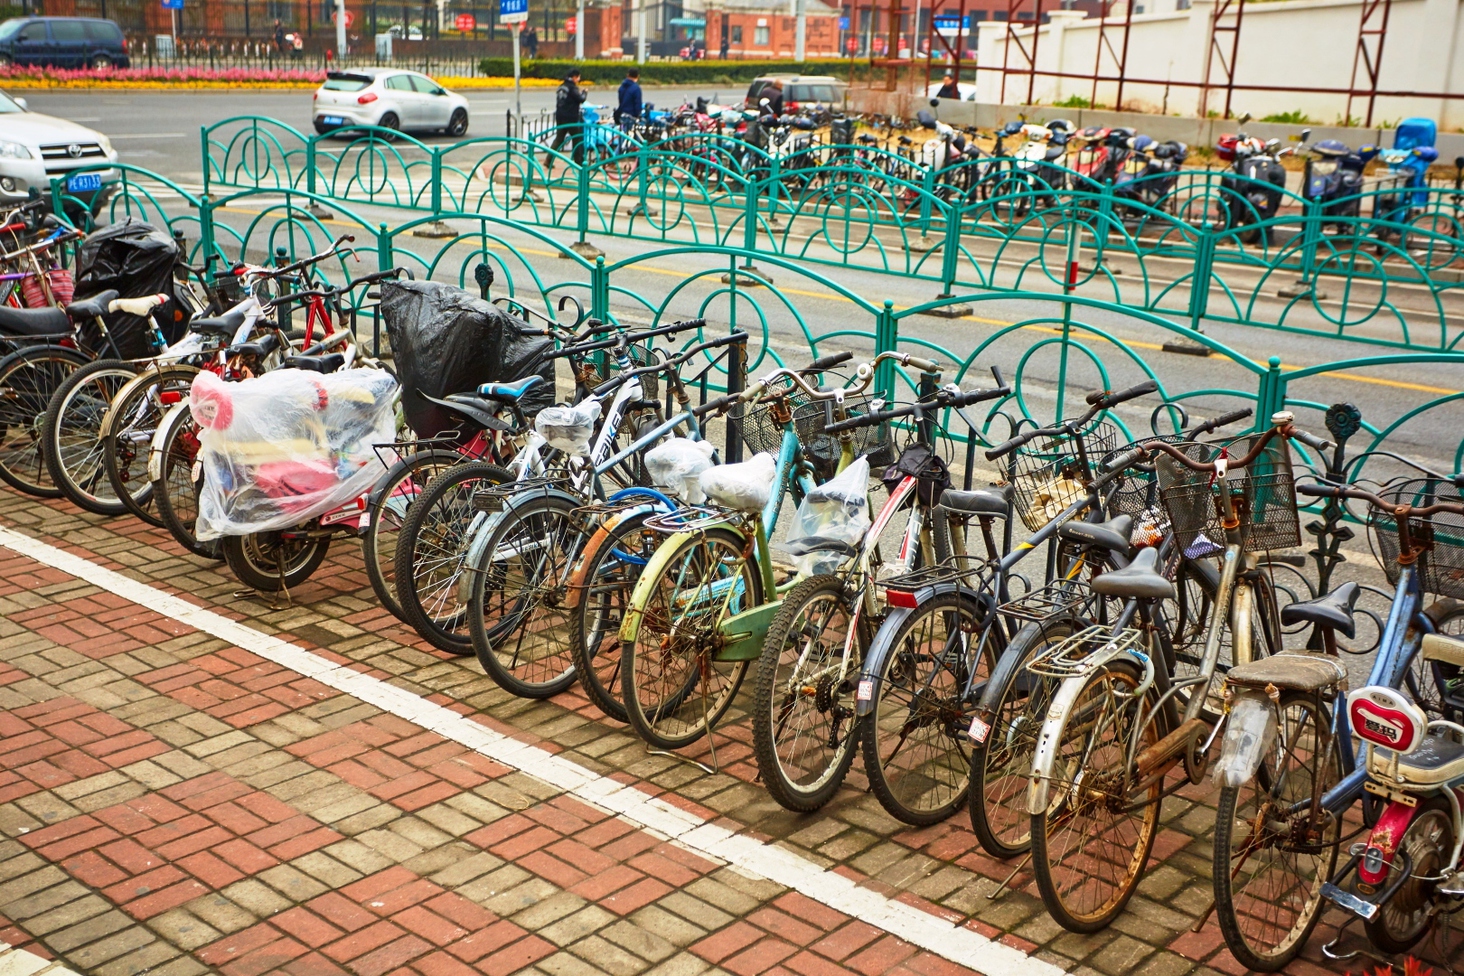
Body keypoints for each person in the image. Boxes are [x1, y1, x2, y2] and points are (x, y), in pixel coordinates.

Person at [548, 68, 588, 168]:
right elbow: (581, 99)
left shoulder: (561, 87)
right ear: (574, 77)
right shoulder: (572, 88)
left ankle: (548, 160)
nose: (579, 79)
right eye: (578, 77)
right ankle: (578, 162)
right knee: (577, 138)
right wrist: (584, 92)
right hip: (570, 117)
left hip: (560, 116)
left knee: (559, 139)